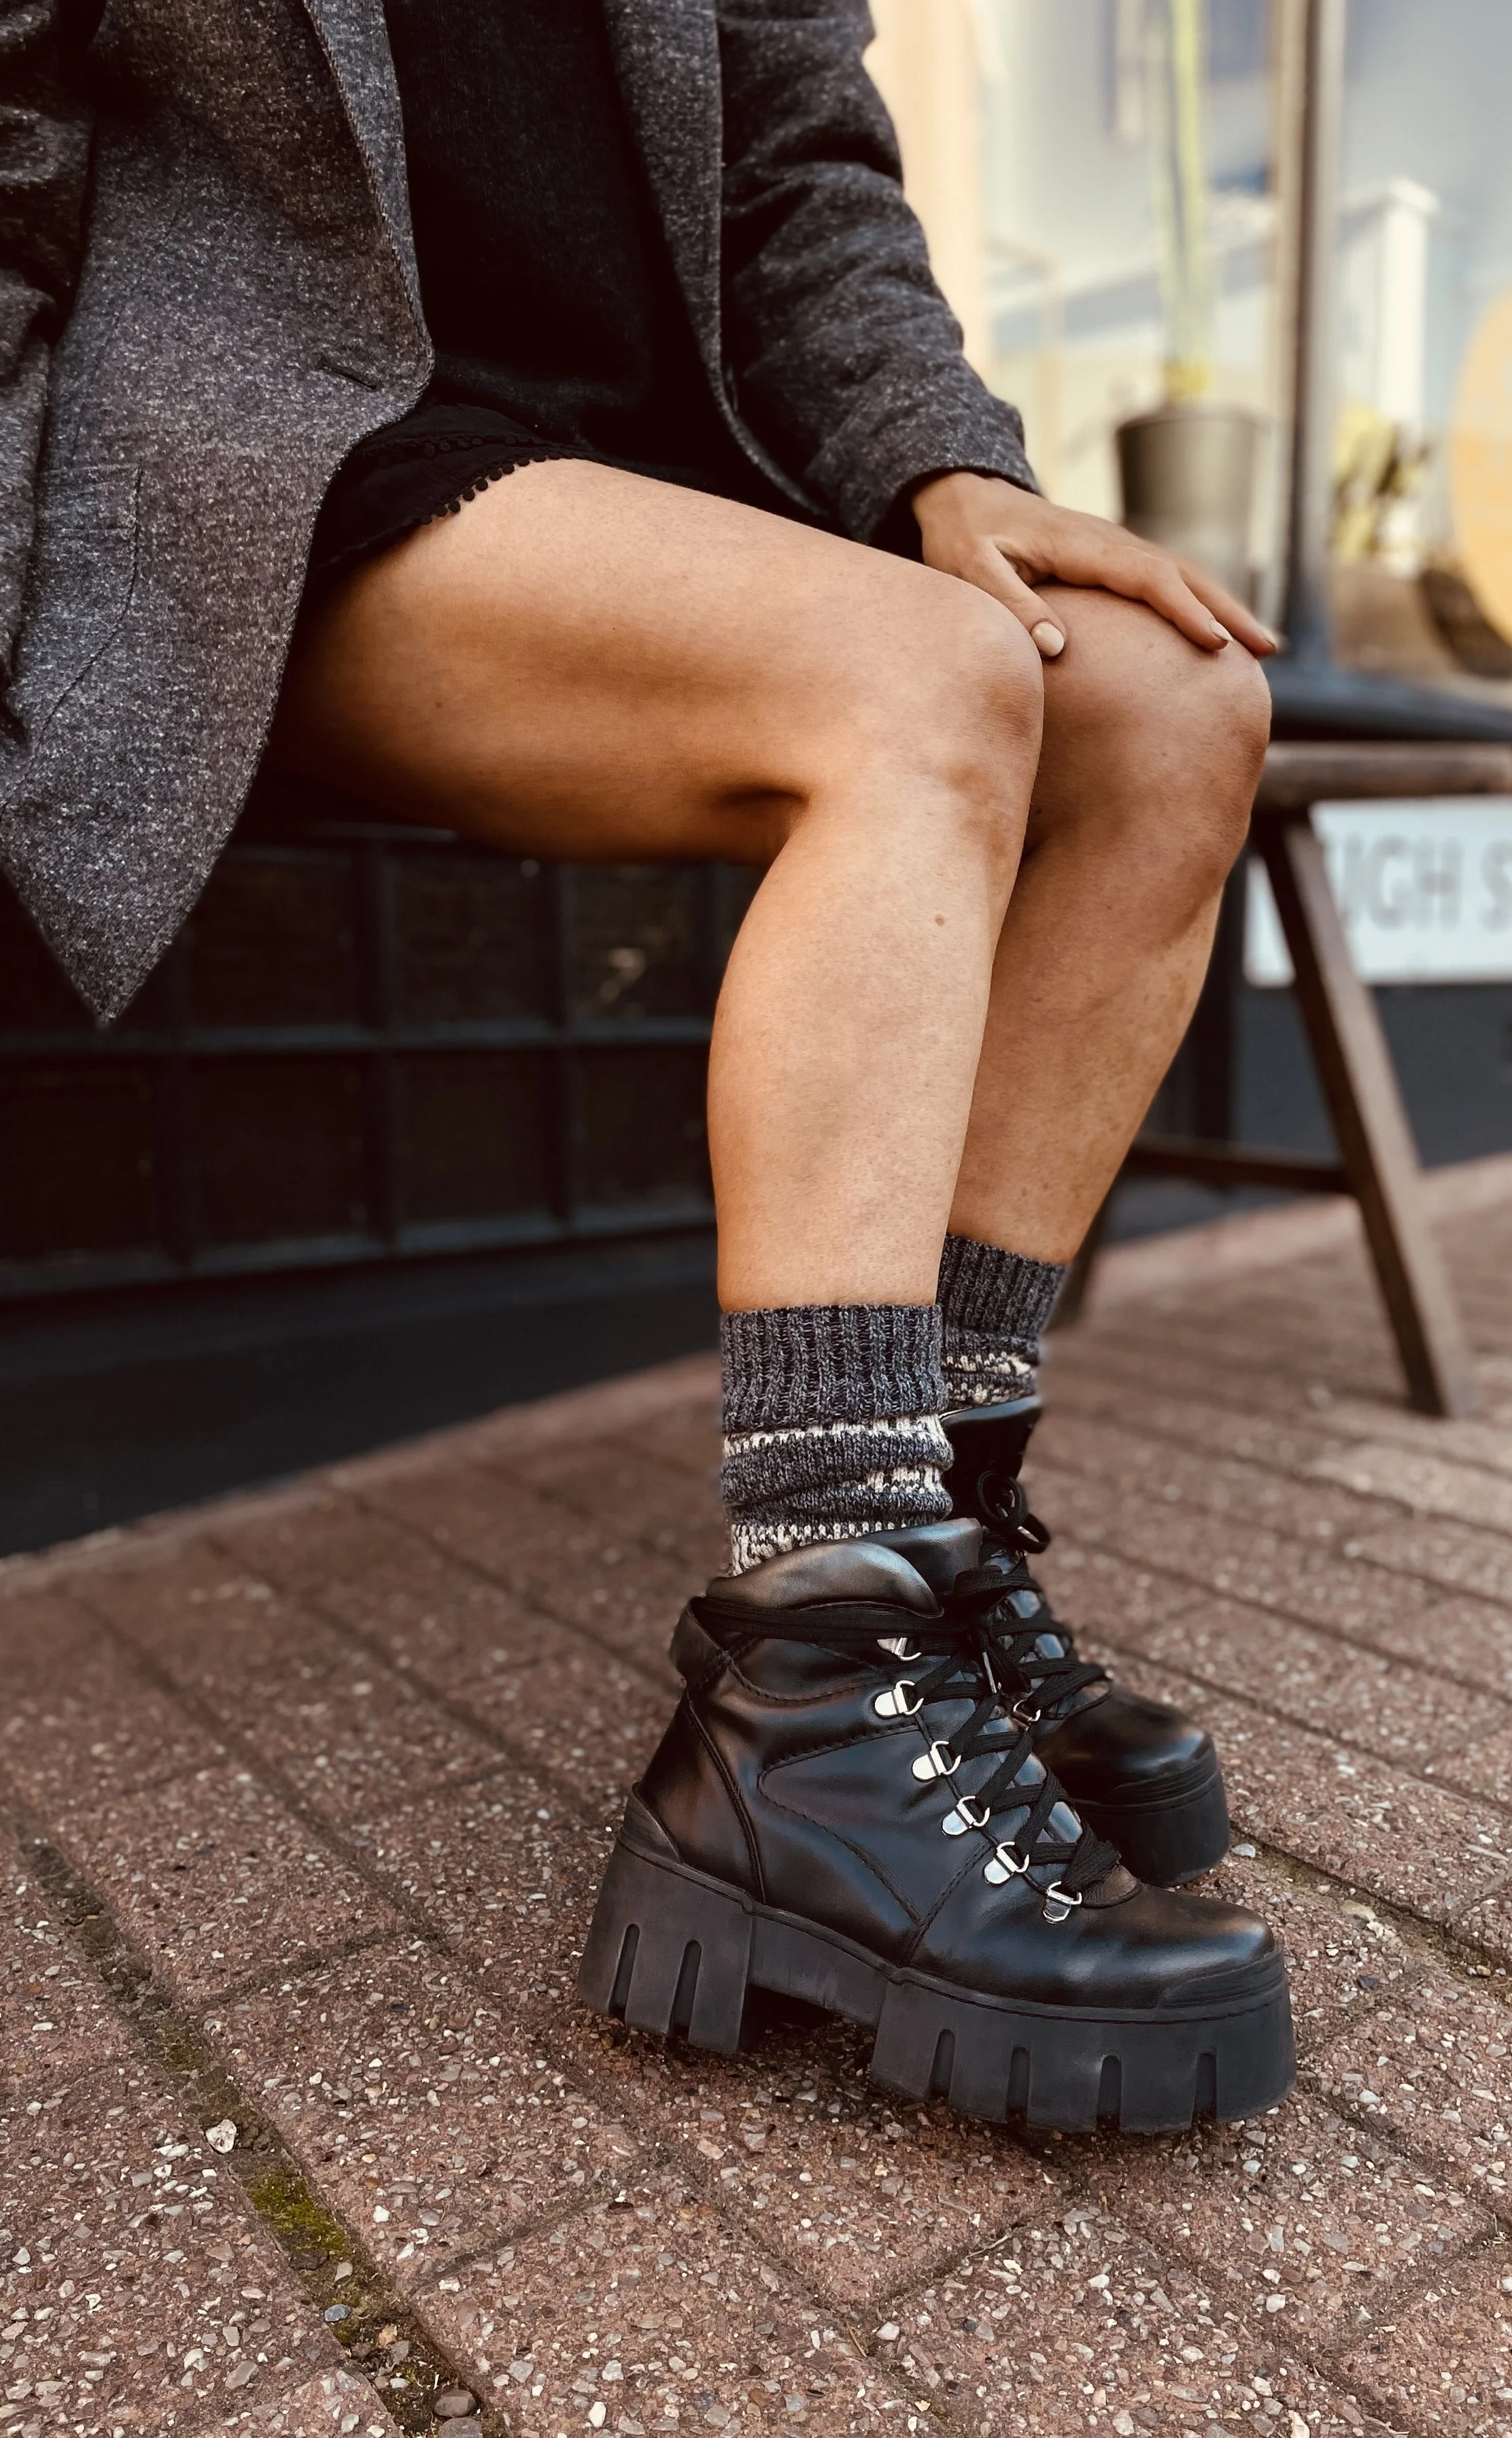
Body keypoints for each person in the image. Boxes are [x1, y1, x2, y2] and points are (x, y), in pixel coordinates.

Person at [1, 0, 1291, 2129]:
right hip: (278, 464)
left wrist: (943, 459)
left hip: (673, 469)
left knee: (1173, 709)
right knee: (914, 685)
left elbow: (801, 163)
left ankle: (938, 1540)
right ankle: (814, 1690)